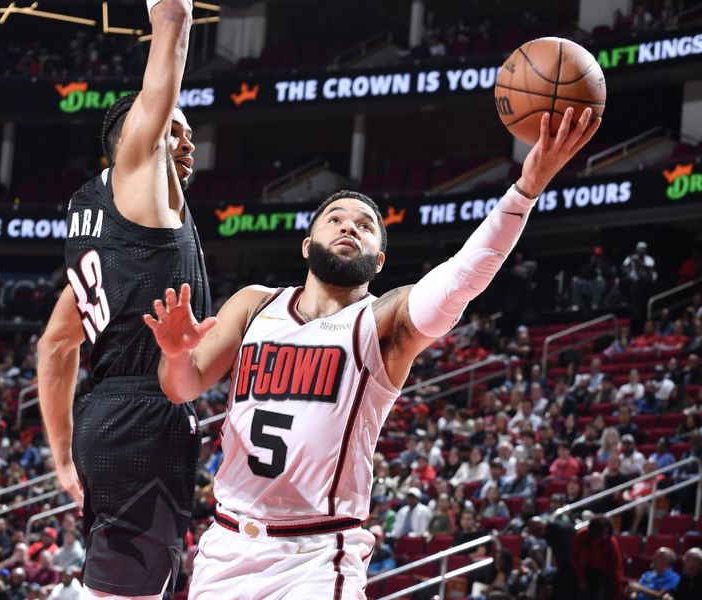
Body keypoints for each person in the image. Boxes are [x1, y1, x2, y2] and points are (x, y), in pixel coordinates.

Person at [146, 108, 600, 598]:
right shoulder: (254, 304)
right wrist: (174, 354)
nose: (349, 227)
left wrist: (525, 189)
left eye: (365, 225)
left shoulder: (383, 321)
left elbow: (463, 277)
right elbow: (182, 388)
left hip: (315, 556)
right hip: (226, 546)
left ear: (378, 259)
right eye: (335, 219)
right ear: (306, 245)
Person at [36, 1, 212, 598]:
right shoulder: (136, 176)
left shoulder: (105, 231)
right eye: (173, 131)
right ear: (137, 138)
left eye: (190, 134)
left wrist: (63, 460)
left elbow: (57, 343)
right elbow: (171, 29)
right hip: (142, 419)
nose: (186, 144)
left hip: (105, 419)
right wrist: (174, 12)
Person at [571, 515, 624, 599]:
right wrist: (581, 580)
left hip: (601, 574)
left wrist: (619, 589)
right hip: (582, 570)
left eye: (607, 533)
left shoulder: (611, 542)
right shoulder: (582, 536)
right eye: (602, 533)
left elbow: (616, 566)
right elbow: (575, 558)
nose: (605, 536)